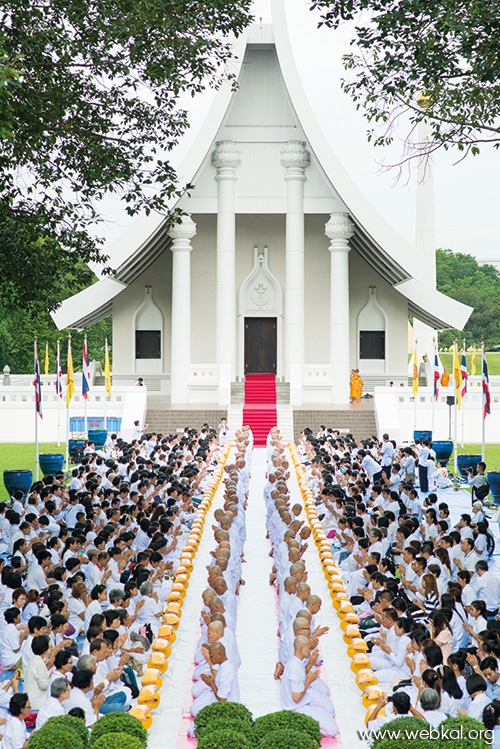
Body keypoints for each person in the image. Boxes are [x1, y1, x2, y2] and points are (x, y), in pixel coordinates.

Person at [281, 635, 338, 737]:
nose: (310, 650)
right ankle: (302, 726)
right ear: (301, 649)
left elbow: (302, 676)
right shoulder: (295, 668)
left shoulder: (295, 662)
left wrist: (311, 663)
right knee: (332, 730)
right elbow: (296, 698)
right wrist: (309, 681)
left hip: (303, 703)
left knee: (330, 715)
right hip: (297, 708)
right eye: (308, 648)